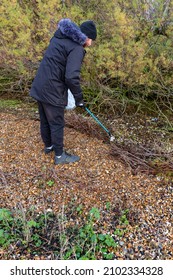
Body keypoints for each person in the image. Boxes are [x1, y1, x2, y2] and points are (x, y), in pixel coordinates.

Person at [30, 18, 97, 164]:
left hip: (40, 84)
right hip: (53, 89)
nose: (91, 43)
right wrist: (79, 98)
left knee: (45, 119)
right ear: (85, 36)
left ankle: (49, 147)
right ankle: (60, 156)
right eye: (91, 39)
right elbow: (71, 77)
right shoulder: (77, 48)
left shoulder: (59, 37)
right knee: (57, 123)